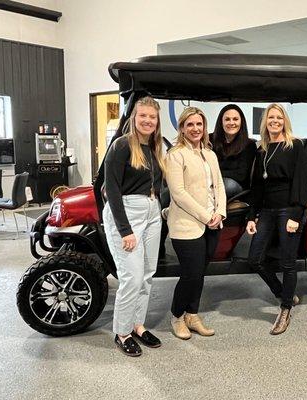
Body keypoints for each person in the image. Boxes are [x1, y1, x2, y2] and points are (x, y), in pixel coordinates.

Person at [103, 96, 165, 356]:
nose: (148, 121)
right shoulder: (121, 146)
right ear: (134, 117)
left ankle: (138, 325)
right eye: (143, 116)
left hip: (152, 213)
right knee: (131, 277)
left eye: (152, 117)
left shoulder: (155, 148)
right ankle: (122, 332)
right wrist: (125, 230)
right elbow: (112, 190)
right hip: (127, 213)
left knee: (148, 274)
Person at [246, 103, 307, 335]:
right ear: (265, 122)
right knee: (254, 259)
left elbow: (301, 182)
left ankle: (284, 310)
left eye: (279, 118)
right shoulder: (261, 148)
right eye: (270, 117)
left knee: (287, 262)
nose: (274, 121)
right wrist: (252, 215)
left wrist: (296, 213)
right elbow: (257, 186)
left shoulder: (295, 146)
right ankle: (284, 293)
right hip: (267, 212)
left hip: (288, 210)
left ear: (284, 121)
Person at [165, 107, 226, 340]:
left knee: (200, 273)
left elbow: (219, 186)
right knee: (190, 274)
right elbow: (178, 193)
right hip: (186, 225)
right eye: (190, 124)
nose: (195, 129)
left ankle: (192, 314)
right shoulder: (175, 154)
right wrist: (206, 216)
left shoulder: (210, 154)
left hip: (213, 223)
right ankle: (177, 316)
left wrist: (220, 212)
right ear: (182, 128)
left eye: (199, 124)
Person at [211, 104, 257, 198]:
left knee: (226, 185)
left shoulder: (249, 145)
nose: (231, 123)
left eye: (235, 119)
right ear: (221, 122)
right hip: (212, 182)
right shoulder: (210, 140)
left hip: (235, 185)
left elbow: (241, 175)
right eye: (227, 119)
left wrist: (214, 173)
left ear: (241, 122)